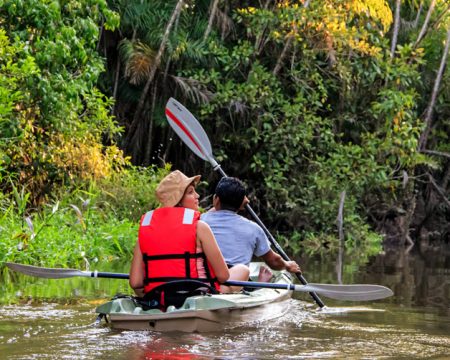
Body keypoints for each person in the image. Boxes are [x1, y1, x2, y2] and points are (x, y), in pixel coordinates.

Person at [129, 170, 248, 304]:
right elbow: (223, 276)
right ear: (178, 200)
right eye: (191, 192)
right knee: (242, 270)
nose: (197, 196)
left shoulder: (146, 231)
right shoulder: (200, 227)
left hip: (159, 297)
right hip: (197, 296)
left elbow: (135, 282)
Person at [201, 177, 301, 281]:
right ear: (241, 204)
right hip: (237, 282)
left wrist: (220, 201)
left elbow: (214, 210)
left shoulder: (200, 220)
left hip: (206, 280)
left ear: (216, 199)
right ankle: (262, 283)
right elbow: (274, 261)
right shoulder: (254, 229)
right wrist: (287, 265)